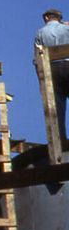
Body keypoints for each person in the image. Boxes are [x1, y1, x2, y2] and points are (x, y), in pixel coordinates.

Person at [34, 8, 69, 142]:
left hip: (52, 69)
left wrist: (41, 80)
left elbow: (37, 59)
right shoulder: (66, 29)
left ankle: (60, 139)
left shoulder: (40, 32)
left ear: (47, 17)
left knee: (56, 107)